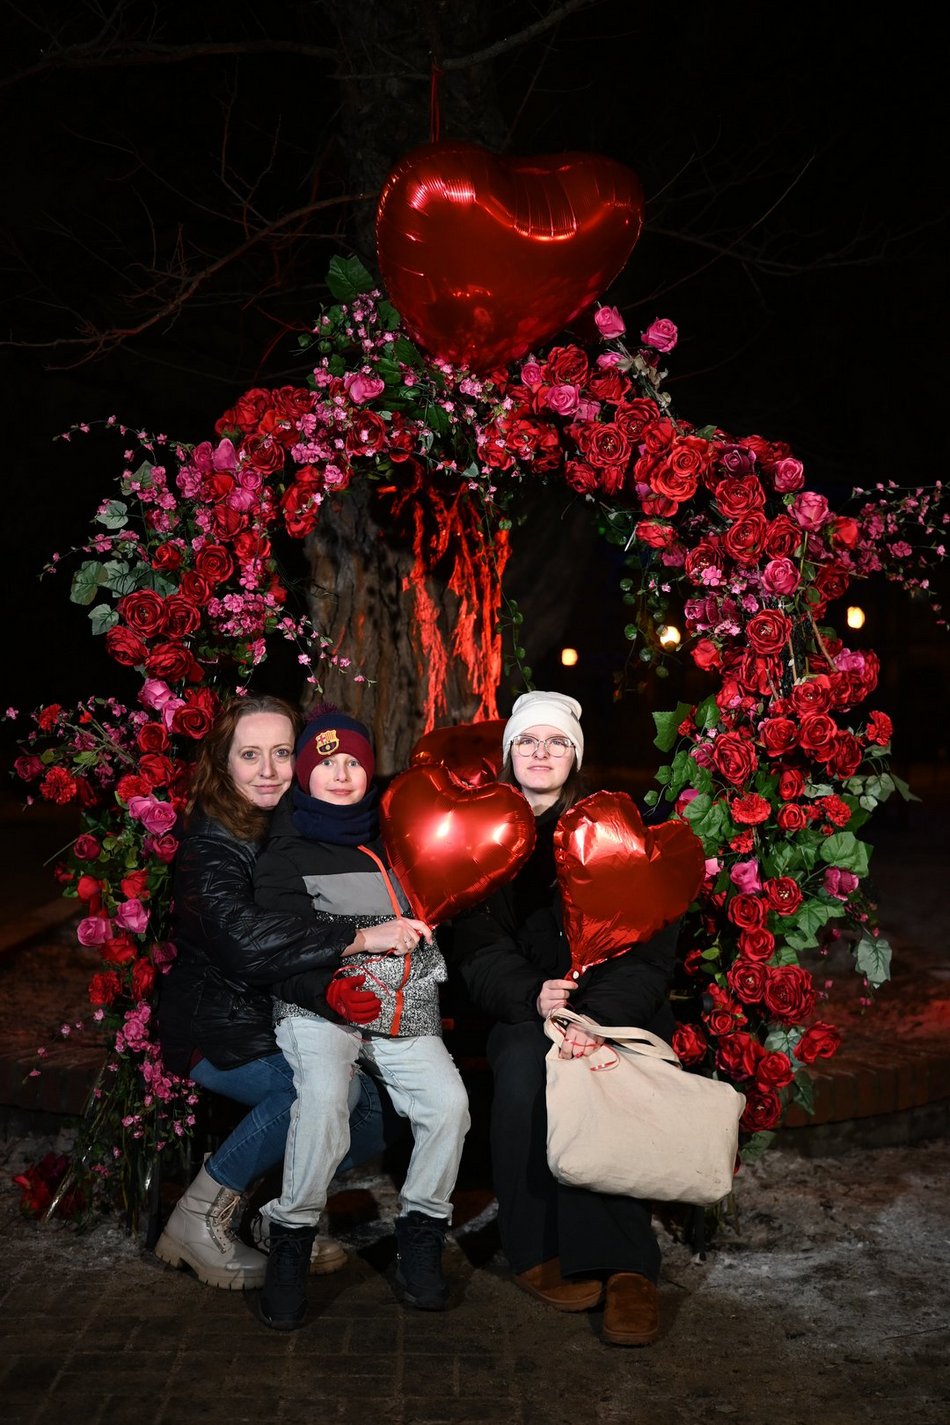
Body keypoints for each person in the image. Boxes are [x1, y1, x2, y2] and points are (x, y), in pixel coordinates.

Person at [448, 690, 682, 1348]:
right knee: (526, 1070)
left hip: (610, 1006)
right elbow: (477, 948)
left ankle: (627, 1263)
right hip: (525, 1008)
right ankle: (536, 1247)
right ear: (510, 754)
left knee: (605, 1072)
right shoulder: (482, 840)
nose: (541, 752)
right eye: (527, 740)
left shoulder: (615, 827)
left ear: (575, 755)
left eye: (556, 741)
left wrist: (594, 1015)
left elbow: (649, 947)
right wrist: (534, 996)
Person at [154, 694, 391, 1291]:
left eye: (282, 753)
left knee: (374, 1110)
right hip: (219, 1023)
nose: (267, 771)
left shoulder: (295, 824)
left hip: (282, 1012)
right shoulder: (212, 843)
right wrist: (357, 938)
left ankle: (275, 1217)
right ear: (224, 764)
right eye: (250, 755)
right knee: (316, 1094)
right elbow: (242, 940)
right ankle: (196, 1219)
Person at [252, 706, 471, 1330]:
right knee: (325, 1099)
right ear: (305, 774)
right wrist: (331, 988)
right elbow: (279, 949)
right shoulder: (284, 854)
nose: (342, 775)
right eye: (327, 764)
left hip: (402, 1005)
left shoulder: (397, 838)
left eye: (353, 762)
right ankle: (291, 1236)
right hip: (321, 1007)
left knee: (449, 1106)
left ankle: (421, 1232)